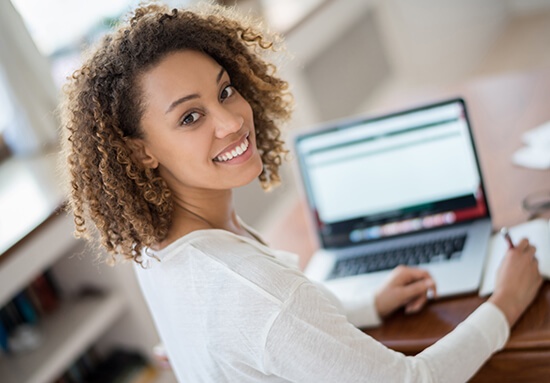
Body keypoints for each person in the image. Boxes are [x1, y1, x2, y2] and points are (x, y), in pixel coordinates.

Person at [60, 2, 543, 382]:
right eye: (190, 117)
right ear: (140, 151)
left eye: (224, 90)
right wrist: (505, 303)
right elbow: (411, 380)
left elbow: (262, 334)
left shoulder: (159, 246)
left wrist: (366, 305)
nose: (231, 121)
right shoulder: (253, 291)